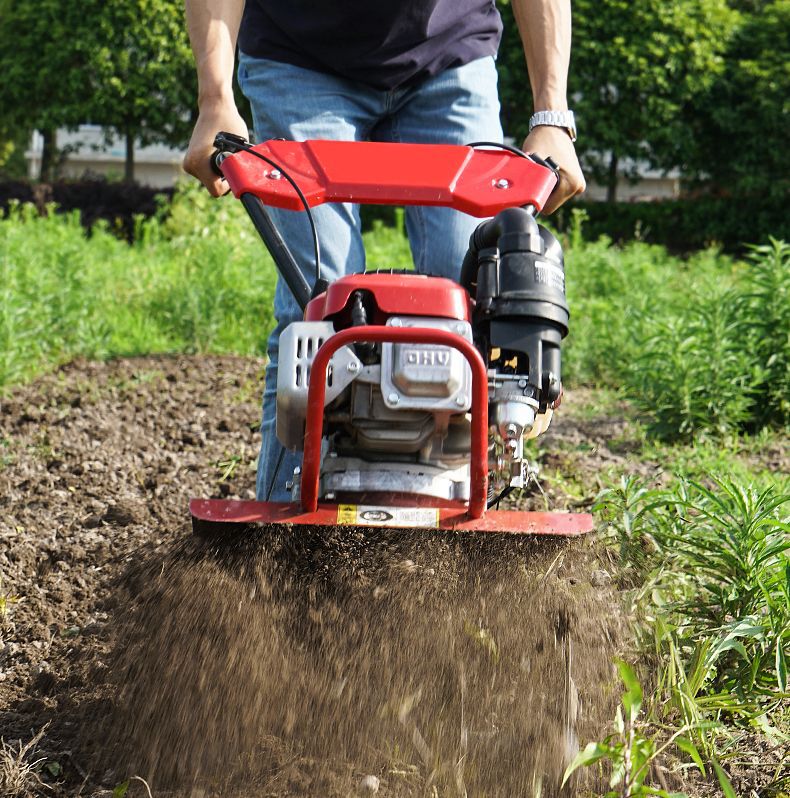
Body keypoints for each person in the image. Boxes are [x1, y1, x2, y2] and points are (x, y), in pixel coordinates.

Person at [183, 0, 585, 502]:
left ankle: (462, 519)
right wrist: (215, 98)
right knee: (318, 313)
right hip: (299, 58)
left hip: (450, 55)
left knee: (476, 305)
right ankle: (283, 533)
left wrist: (552, 116)